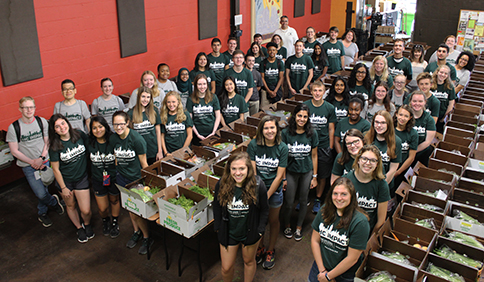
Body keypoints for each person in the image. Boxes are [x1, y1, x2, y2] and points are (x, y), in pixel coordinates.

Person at [7, 97, 64, 228]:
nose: (29, 110)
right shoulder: (14, 127)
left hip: (44, 162)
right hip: (28, 166)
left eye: (31, 107)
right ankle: (54, 202)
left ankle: (42, 212)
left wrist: (41, 158)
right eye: (25, 107)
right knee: (40, 192)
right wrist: (32, 162)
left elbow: (47, 141)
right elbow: (14, 151)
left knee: (46, 186)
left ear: (34, 108)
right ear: (20, 109)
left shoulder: (41, 121)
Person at [213, 151, 269, 282]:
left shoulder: (258, 185)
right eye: (234, 169)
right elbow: (216, 205)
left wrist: (260, 231)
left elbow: (265, 210)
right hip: (229, 232)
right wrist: (218, 226)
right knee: (226, 268)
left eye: (241, 168)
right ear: (229, 169)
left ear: (248, 169)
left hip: (250, 232)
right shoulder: (222, 184)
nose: (237, 173)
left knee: (249, 261)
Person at [308, 177, 370, 282]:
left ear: (352, 196)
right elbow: (315, 240)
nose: (339, 198)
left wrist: (329, 276)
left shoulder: (360, 222)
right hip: (320, 267)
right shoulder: (324, 210)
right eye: (335, 193)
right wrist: (322, 271)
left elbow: (352, 258)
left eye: (344, 194)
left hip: (344, 274)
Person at [248, 116, 288, 270]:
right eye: (266, 128)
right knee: (260, 222)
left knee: (273, 220)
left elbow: (279, 176)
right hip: (257, 191)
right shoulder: (253, 145)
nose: (269, 131)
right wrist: (258, 193)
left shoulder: (282, 147)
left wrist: (266, 196)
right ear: (261, 130)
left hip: (274, 191)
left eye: (272, 128)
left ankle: (271, 250)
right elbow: (253, 171)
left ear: (277, 129)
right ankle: (260, 247)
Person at [110, 111, 151, 255]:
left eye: (121, 123)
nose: (118, 127)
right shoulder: (113, 139)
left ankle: (147, 237)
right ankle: (136, 232)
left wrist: (148, 182)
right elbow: (116, 157)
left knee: (137, 212)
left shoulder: (137, 139)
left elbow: (144, 163)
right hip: (122, 178)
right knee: (130, 208)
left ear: (127, 122)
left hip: (136, 180)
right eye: (115, 124)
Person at [49, 114, 93, 243]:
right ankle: (79, 227)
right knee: (71, 205)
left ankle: (87, 223)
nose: (62, 128)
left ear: (67, 123)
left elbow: (90, 146)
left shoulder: (79, 135)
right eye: (57, 126)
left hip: (81, 178)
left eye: (63, 123)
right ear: (54, 130)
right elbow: (55, 169)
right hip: (66, 181)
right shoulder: (55, 146)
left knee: (86, 210)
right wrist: (63, 187)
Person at [281, 104, 318, 242]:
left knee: (303, 200)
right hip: (291, 172)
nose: (301, 119)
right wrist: (284, 178)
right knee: (289, 202)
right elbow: (283, 157)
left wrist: (315, 176)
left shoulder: (312, 133)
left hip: (306, 172)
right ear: (294, 116)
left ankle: (299, 227)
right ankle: (287, 225)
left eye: (305, 116)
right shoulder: (285, 133)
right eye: (299, 116)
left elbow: (314, 156)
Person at [304, 81, 336, 214]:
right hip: (306, 145)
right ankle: (303, 198)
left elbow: (331, 128)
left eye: (320, 91)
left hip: (323, 146)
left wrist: (330, 147)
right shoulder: (305, 105)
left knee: (322, 175)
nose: (317, 93)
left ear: (324, 92)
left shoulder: (329, 108)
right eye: (315, 90)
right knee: (306, 172)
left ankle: (318, 198)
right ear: (311, 92)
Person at [343, 145, 390, 233]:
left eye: (373, 160)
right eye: (364, 159)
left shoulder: (382, 185)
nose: (368, 163)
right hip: (346, 227)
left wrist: (370, 240)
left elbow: (381, 220)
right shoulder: (346, 180)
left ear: (377, 164)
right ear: (358, 160)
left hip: (367, 230)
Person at [87, 116, 120, 238]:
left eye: (100, 127)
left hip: (113, 178)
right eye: (94, 128)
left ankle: (115, 222)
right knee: (103, 208)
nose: (98, 130)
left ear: (105, 127)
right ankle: (105, 220)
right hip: (97, 179)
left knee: (114, 200)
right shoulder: (89, 143)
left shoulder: (113, 140)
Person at [364, 110, 401, 193]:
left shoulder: (396, 141)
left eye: (383, 123)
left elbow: (393, 168)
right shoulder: (366, 137)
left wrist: (381, 186)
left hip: (385, 183)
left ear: (389, 124)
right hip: (366, 182)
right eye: (376, 122)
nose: (379, 125)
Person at [127, 86, 163, 165]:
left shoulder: (154, 111)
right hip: (138, 151)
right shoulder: (131, 113)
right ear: (139, 97)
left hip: (153, 150)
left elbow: (158, 132)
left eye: (148, 97)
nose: (145, 99)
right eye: (143, 96)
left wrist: (160, 151)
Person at [186, 74, 221, 146]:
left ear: (207, 84)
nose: (202, 87)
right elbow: (189, 119)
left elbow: (218, 116)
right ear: (195, 85)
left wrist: (213, 132)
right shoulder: (190, 99)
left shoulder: (213, 97)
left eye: (204, 84)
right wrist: (198, 134)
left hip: (212, 132)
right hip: (197, 134)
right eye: (199, 84)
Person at [393, 105, 418, 195]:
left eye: (406, 116)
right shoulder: (389, 129)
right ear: (396, 114)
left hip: (401, 170)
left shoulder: (413, 133)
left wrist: (397, 172)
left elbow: (411, 157)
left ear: (410, 117)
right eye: (400, 115)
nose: (402, 118)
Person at [408, 91, 436, 167]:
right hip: (404, 152)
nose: (417, 104)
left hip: (421, 154)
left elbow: (427, 141)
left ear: (425, 102)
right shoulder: (405, 116)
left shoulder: (429, 119)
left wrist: (412, 152)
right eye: (414, 101)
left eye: (420, 101)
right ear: (410, 101)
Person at [160, 91, 193, 155]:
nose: (171, 104)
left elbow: (190, 136)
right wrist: (166, 152)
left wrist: (183, 150)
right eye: (168, 102)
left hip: (184, 151)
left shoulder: (185, 114)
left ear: (178, 102)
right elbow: (162, 136)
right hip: (170, 152)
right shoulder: (164, 116)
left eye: (173, 102)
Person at [430, 65, 456, 133]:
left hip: (441, 115)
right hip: (430, 115)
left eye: (445, 73)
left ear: (448, 75)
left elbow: (451, 103)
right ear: (437, 72)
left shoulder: (450, 87)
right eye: (441, 72)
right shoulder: (430, 84)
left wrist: (444, 117)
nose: (443, 75)